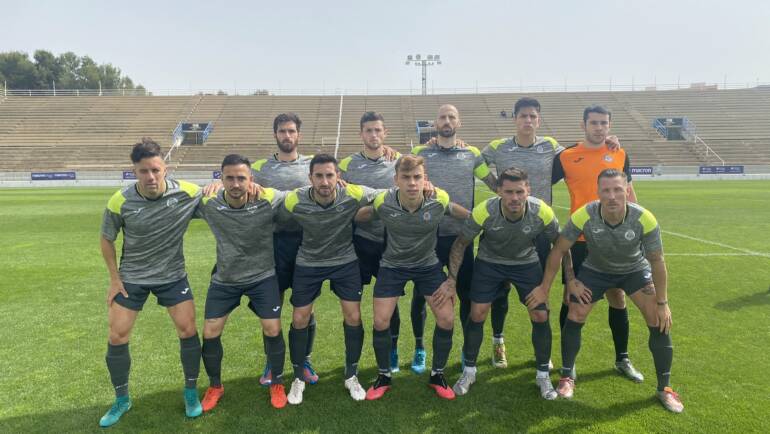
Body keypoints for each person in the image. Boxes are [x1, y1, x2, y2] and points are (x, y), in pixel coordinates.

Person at [537, 169, 683, 413]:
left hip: (634, 270)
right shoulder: (585, 214)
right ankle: (567, 376)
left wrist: (662, 302)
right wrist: (570, 280)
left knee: (659, 320)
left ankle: (664, 388)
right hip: (596, 270)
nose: (612, 196)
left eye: (618, 189)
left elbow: (657, 261)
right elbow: (559, 249)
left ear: (627, 190)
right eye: (606, 190)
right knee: (575, 312)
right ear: (598, 192)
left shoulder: (644, 218)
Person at [98, 138, 203, 427]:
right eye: (144, 171)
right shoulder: (120, 200)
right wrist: (114, 278)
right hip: (132, 278)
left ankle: (191, 392)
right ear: (134, 171)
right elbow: (107, 239)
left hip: (172, 276)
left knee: (188, 330)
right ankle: (121, 399)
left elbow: (218, 198)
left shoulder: (187, 192)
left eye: (156, 170)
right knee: (117, 335)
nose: (151, 177)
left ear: (165, 168)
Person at [440, 168, 567, 400]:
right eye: (508, 192)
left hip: (526, 263)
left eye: (520, 191)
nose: (515, 197)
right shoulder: (484, 211)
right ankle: (469, 371)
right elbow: (460, 244)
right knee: (477, 313)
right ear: (499, 191)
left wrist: (550, 286)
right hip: (490, 263)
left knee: (540, 315)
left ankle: (542, 376)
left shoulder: (541, 212)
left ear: (528, 190)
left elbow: (560, 246)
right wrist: (451, 280)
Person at [355, 155, 471, 401]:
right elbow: (363, 215)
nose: (411, 183)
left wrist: (485, 220)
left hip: (427, 266)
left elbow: (463, 214)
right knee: (380, 321)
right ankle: (384, 376)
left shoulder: (438, 199)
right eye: (405, 177)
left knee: (447, 318)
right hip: (392, 266)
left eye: (417, 177)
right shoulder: (384, 201)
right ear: (396, 179)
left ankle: (437, 374)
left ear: (424, 179)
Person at [278, 154, 380, 404]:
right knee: (300, 318)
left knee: (353, 316)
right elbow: (269, 199)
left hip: (344, 261)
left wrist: (426, 187)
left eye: (330, 175)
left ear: (338, 176)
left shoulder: (353, 193)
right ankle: (298, 377)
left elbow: (386, 193)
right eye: (319, 176)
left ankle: (351, 375)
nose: (325, 181)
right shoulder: (294, 199)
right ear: (310, 177)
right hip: (308, 262)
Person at [551, 105, 643, 381]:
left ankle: (622, 359)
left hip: (616, 239)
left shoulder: (620, 153)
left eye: (604, 123)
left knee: (618, 295)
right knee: (571, 296)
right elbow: (543, 186)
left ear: (609, 126)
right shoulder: (566, 156)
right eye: (594, 123)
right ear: (583, 126)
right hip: (580, 239)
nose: (599, 128)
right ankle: (569, 363)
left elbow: (628, 191)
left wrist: (636, 226)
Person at [196, 154, 288, 411]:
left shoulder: (267, 199)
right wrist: (204, 189)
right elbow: (173, 192)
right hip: (226, 278)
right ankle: (215, 386)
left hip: (263, 276)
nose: (236, 184)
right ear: (221, 179)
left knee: (272, 328)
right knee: (210, 331)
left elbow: (298, 195)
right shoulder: (209, 203)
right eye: (230, 178)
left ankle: (277, 383)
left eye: (241, 178)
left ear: (251, 180)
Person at [412, 104, 496, 368]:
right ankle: (419, 348)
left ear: (458, 123)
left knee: (466, 294)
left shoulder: (471, 153)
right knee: (420, 296)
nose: (446, 121)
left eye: (451, 117)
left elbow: (495, 184)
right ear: (435, 123)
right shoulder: (420, 152)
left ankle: (465, 350)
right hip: (428, 237)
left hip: (462, 237)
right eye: (442, 117)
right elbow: (403, 177)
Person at [339, 111, 410, 373]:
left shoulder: (399, 161)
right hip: (358, 241)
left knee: (390, 302)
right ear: (361, 134)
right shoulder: (347, 164)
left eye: (378, 130)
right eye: (368, 130)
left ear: (385, 133)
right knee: (351, 304)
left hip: (390, 242)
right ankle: (352, 359)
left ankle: (390, 351)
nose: (373, 135)